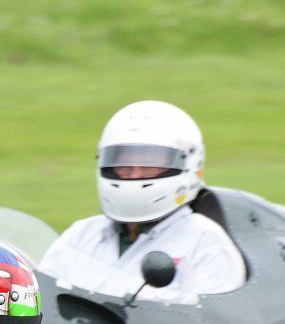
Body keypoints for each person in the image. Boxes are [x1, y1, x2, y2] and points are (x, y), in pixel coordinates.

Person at [39, 100, 245, 299]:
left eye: (150, 163)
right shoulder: (80, 236)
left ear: (189, 164)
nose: (135, 174)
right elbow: (43, 300)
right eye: (124, 163)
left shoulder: (205, 242)